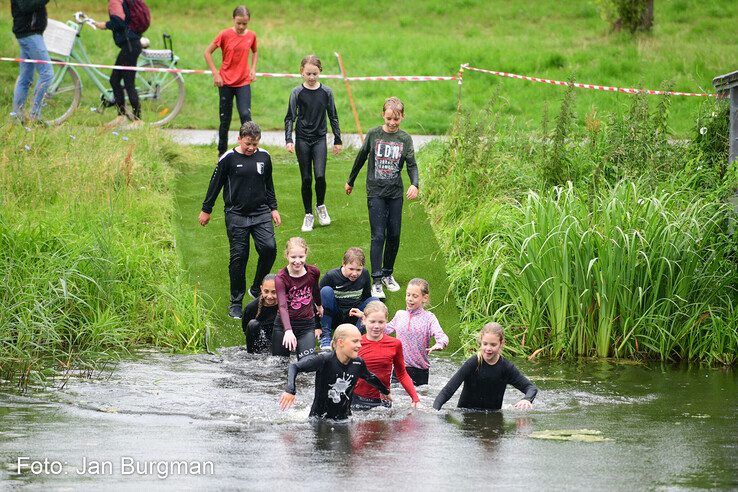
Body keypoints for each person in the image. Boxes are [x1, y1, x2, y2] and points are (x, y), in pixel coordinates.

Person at [199, 121, 281, 320]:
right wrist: (206, 209)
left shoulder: (264, 157)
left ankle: (256, 287)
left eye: (254, 144)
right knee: (239, 257)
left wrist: (273, 208)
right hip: (236, 214)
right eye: (247, 144)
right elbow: (215, 184)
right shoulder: (228, 158)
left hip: (261, 213)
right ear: (239, 139)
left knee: (269, 248)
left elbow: (268, 184)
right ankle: (236, 302)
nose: (251, 148)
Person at [345, 96, 419, 299]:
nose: (392, 123)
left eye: (396, 119)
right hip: (376, 191)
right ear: (383, 116)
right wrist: (350, 181)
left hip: (395, 192)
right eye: (389, 119)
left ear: (402, 117)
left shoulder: (405, 139)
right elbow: (360, 157)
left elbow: (411, 164)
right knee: (378, 235)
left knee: (394, 234)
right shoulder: (374, 134)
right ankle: (376, 281)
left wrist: (415, 183)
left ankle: (388, 274)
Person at [279, 324, 389, 420]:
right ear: (341, 342)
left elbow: (370, 377)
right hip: (319, 420)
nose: (359, 345)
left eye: (360, 341)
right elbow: (294, 366)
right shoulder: (324, 360)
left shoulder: (358, 363)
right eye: (355, 341)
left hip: (345, 419)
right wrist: (290, 390)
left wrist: (385, 392)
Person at [284, 54, 342, 232]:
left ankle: (321, 206)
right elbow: (290, 117)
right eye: (308, 74)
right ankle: (308, 214)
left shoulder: (326, 92)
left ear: (320, 72)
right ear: (302, 72)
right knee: (306, 178)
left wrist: (337, 139)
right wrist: (289, 139)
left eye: (315, 74)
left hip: (319, 139)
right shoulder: (297, 93)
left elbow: (333, 116)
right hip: (302, 139)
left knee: (320, 176)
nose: (311, 77)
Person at [433, 322, 537, 411]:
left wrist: (527, 399)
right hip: (466, 414)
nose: (488, 348)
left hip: (493, 416)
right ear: (480, 342)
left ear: (501, 344)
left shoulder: (506, 368)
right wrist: (434, 411)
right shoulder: (473, 363)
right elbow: (448, 390)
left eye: (493, 345)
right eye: (485, 344)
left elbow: (530, 388)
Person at [204, 5, 258, 157]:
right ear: (233, 19)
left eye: (244, 23)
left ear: (248, 22)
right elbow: (207, 53)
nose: (241, 26)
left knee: (245, 115)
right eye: (239, 23)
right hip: (226, 82)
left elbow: (255, 52)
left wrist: (253, 69)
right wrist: (216, 73)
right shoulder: (224, 34)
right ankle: (221, 153)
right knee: (225, 119)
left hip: (243, 82)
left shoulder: (251, 36)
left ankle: (249, 149)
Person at [352, 301, 419, 410]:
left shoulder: (395, 344)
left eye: (381, 322)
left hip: (383, 402)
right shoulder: (356, 343)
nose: (376, 326)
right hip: (357, 400)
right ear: (364, 320)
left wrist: (415, 398)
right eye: (372, 321)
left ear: (386, 322)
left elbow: (402, 374)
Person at [385, 278, 448, 386]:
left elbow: (441, 336)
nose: (410, 299)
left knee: (417, 401)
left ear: (425, 298)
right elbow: (385, 329)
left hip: (419, 372)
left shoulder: (429, 318)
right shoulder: (400, 315)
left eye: (415, 296)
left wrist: (440, 344)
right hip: (398, 369)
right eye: (408, 295)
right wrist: (367, 319)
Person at [94, 0, 145, 129]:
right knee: (115, 80)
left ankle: (137, 120)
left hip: (130, 46)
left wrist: (104, 25)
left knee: (127, 83)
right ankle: (121, 116)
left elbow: (119, 22)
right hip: (131, 45)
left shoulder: (114, 2)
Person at [318, 247, 378, 352]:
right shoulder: (331, 276)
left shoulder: (364, 274)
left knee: (374, 301)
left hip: (353, 315)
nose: (355, 273)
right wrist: (316, 325)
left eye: (358, 270)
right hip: (335, 315)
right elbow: (316, 301)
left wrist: (361, 313)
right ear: (344, 264)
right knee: (325, 291)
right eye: (351, 269)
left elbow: (366, 297)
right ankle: (326, 337)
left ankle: (356, 336)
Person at [271, 237, 322, 360]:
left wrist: (319, 305)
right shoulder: (281, 278)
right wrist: (288, 330)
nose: (297, 261)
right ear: (287, 256)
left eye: (301, 257)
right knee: (279, 364)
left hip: (306, 326)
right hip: (283, 326)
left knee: (308, 363)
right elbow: (282, 306)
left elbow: (315, 290)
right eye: (293, 257)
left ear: (306, 254)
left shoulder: (313, 272)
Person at [10, 0, 54, 124]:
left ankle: (17, 117)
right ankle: (35, 116)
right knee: (47, 74)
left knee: (25, 78)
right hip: (30, 35)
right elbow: (25, 6)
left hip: (29, 34)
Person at [242, 273, 277, 353]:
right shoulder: (251, 308)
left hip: (278, 338)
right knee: (253, 324)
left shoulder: (286, 305)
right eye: (266, 291)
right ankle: (251, 356)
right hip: (260, 341)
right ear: (261, 289)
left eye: (274, 292)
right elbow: (246, 330)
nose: (269, 296)